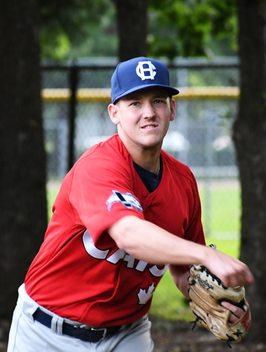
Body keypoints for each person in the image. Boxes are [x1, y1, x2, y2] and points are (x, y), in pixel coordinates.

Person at [7, 56, 254, 352]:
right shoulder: (97, 166)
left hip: (128, 334)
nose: (148, 112)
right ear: (114, 113)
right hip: (47, 332)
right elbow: (128, 234)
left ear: (172, 109)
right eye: (135, 103)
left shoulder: (183, 181)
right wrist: (206, 255)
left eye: (158, 101)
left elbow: (182, 270)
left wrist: (224, 302)